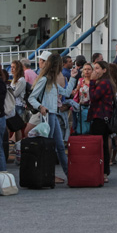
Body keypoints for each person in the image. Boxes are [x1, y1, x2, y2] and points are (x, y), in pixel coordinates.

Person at [29, 53, 78, 184]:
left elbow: (66, 92)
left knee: (58, 146)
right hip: (48, 114)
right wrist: (41, 107)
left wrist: (73, 78)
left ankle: (66, 174)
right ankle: (51, 174)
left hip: (52, 114)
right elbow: (32, 98)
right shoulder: (45, 80)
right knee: (51, 146)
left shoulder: (50, 81)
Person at [88, 61, 115, 183]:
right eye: (94, 68)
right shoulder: (106, 82)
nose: (95, 71)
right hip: (102, 116)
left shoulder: (104, 83)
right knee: (102, 145)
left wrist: (92, 81)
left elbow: (93, 97)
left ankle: (103, 172)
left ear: (104, 70)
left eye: (97, 68)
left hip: (100, 116)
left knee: (100, 145)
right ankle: (103, 172)